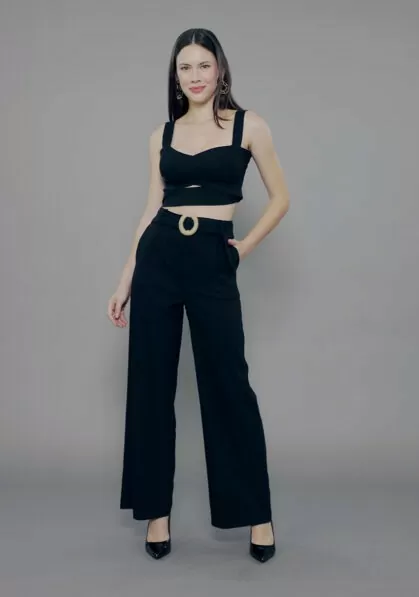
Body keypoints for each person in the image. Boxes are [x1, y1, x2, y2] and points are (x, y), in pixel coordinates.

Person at [107, 28, 290, 563]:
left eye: (204, 65)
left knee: (228, 385)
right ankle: (156, 514)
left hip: (213, 258)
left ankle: (257, 514)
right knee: (150, 386)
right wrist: (125, 279)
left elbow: (281, 198)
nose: (195, 76)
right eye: (185, 67)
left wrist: (242, 248)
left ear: (220, 69)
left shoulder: (249, 126)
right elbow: (151, 209)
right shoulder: (161, 135)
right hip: (160, 257)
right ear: (176, 76)